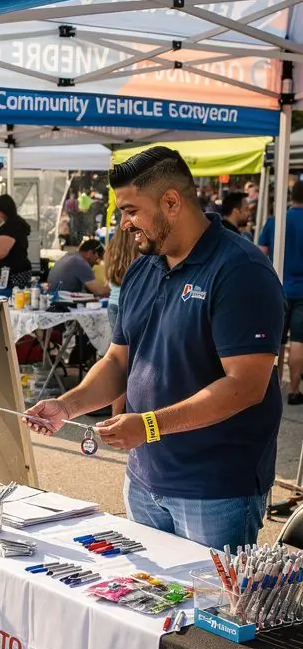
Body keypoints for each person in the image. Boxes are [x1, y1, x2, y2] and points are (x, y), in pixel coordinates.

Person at [25, 145, 285, 548]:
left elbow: (247, 385)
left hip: (215, 489)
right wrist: (69, 405)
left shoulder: (241, 270)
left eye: (130, 210)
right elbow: (118, 361)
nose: (124, 224)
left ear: (170, 202)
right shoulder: (143, 268)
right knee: (147, 608)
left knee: (209, 608)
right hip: (144, 480)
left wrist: (148, 426)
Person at [259, 180, 303, 404]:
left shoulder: (275, 221)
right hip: (302, 291)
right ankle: (295, 390)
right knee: (299, 340)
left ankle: (274, 387)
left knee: (277, 341)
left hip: (277, 287)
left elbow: (261, 253)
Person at [104, 225, 139, 330]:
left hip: (113, 305)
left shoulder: (111, 253)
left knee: (119, 345)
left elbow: (108, 282)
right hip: (132, 306)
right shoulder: (140, 255)